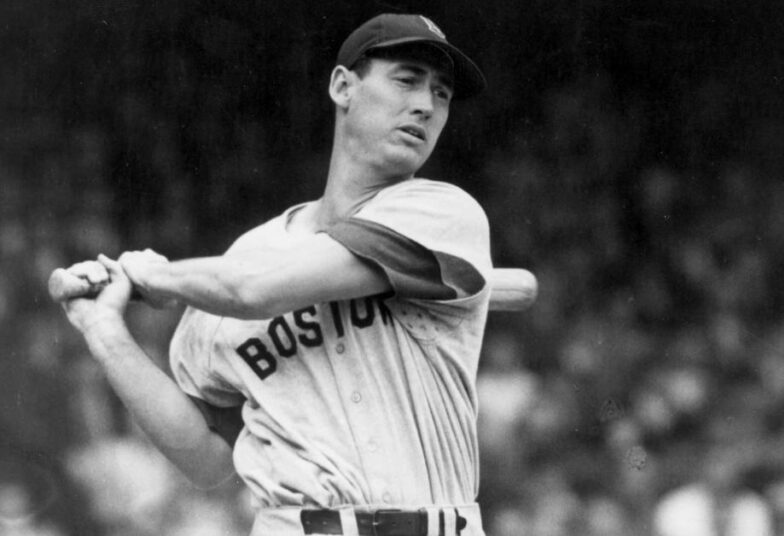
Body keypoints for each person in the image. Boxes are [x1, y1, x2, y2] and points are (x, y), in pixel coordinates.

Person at [60, 13, 493, 536]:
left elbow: (252, 292)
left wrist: (159, 275)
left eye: (441, 94)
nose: (425, 105)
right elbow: (205, 458)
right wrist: (105, 332)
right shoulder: (250, 254)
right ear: (342, 86)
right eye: (406, 79)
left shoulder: (443, 216)